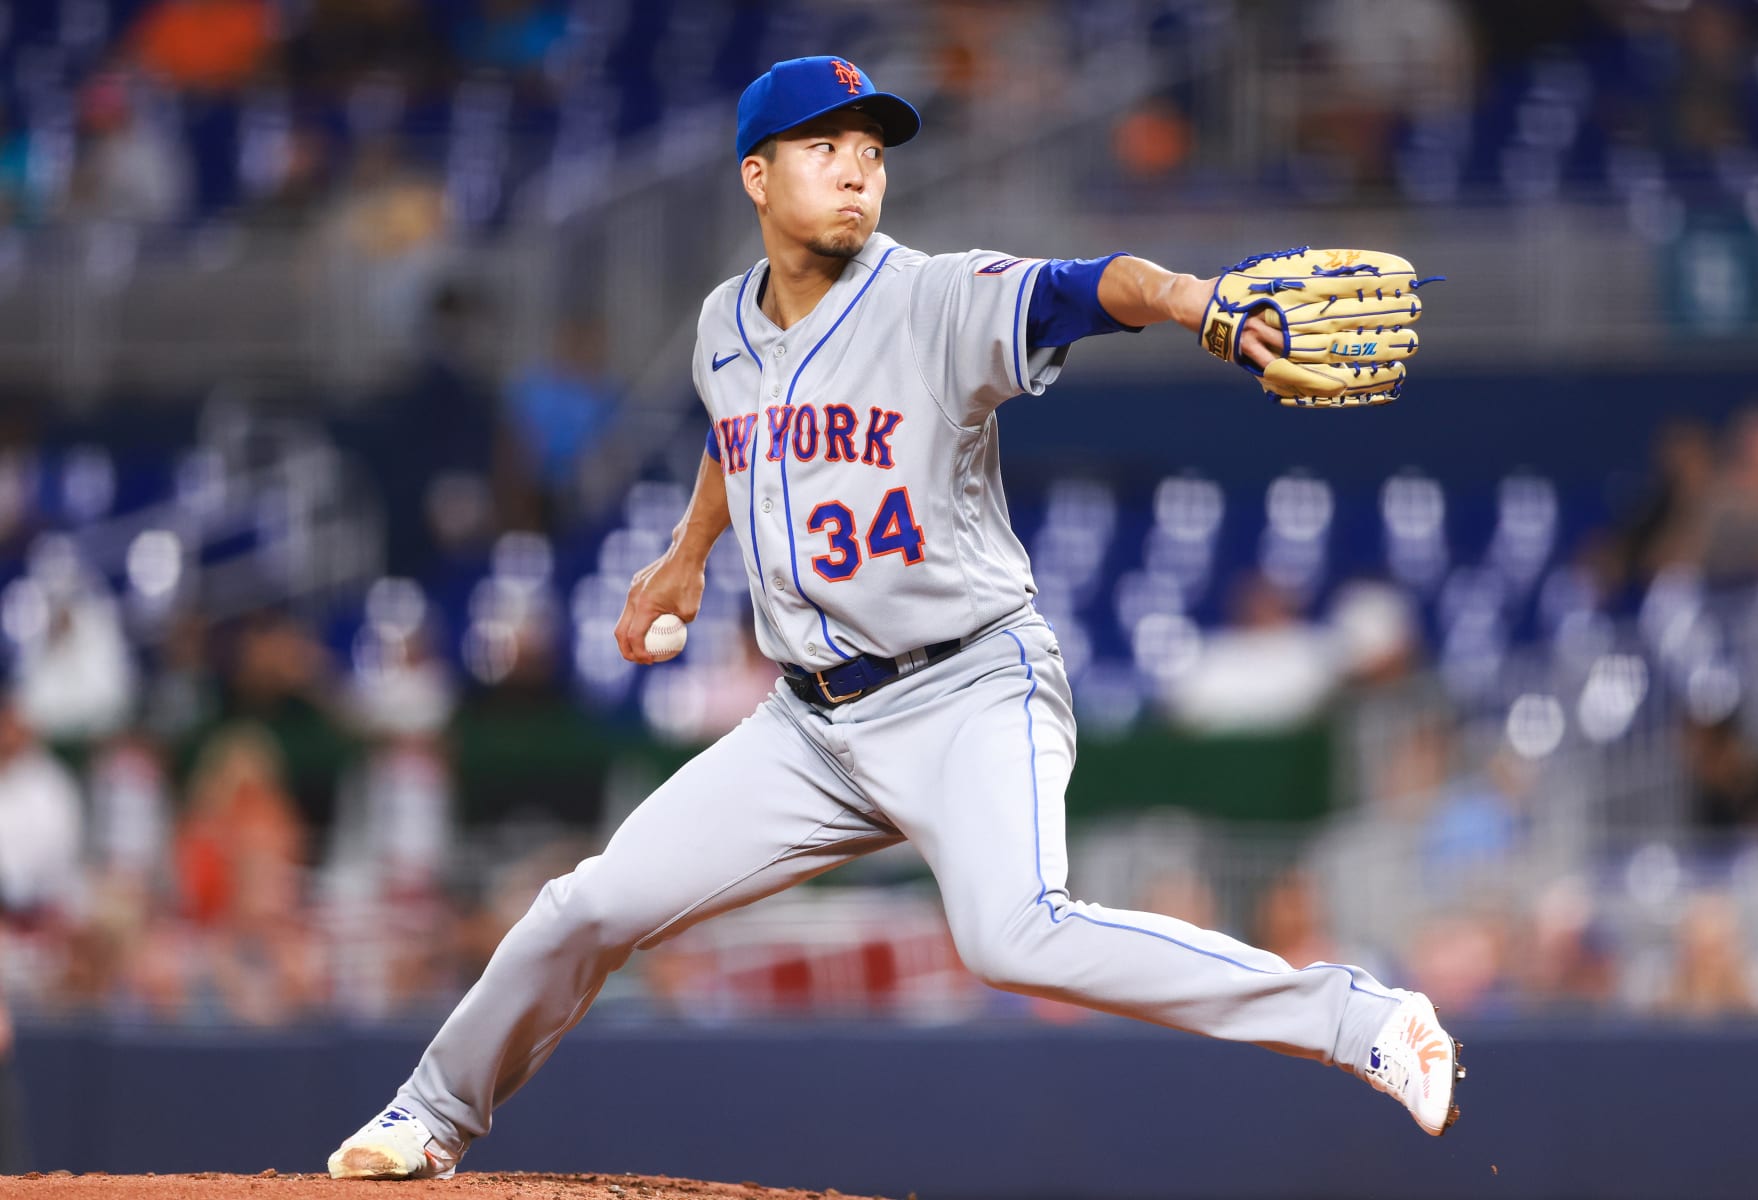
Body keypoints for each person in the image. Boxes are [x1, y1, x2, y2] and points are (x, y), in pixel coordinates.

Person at [328, 55, 1463, 1180]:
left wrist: (1195, 302)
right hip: (809, 728)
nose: (858, 172)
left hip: (968, 686)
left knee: (1013, 936)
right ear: (756, 179)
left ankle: (1358, 1018)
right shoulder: (723, 321)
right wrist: (685, 553)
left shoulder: (932, 296)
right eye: (826, 148)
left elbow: (1093, 283)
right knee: (589, 905)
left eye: (871, 151)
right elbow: (742, 434)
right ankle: (428, 1118)